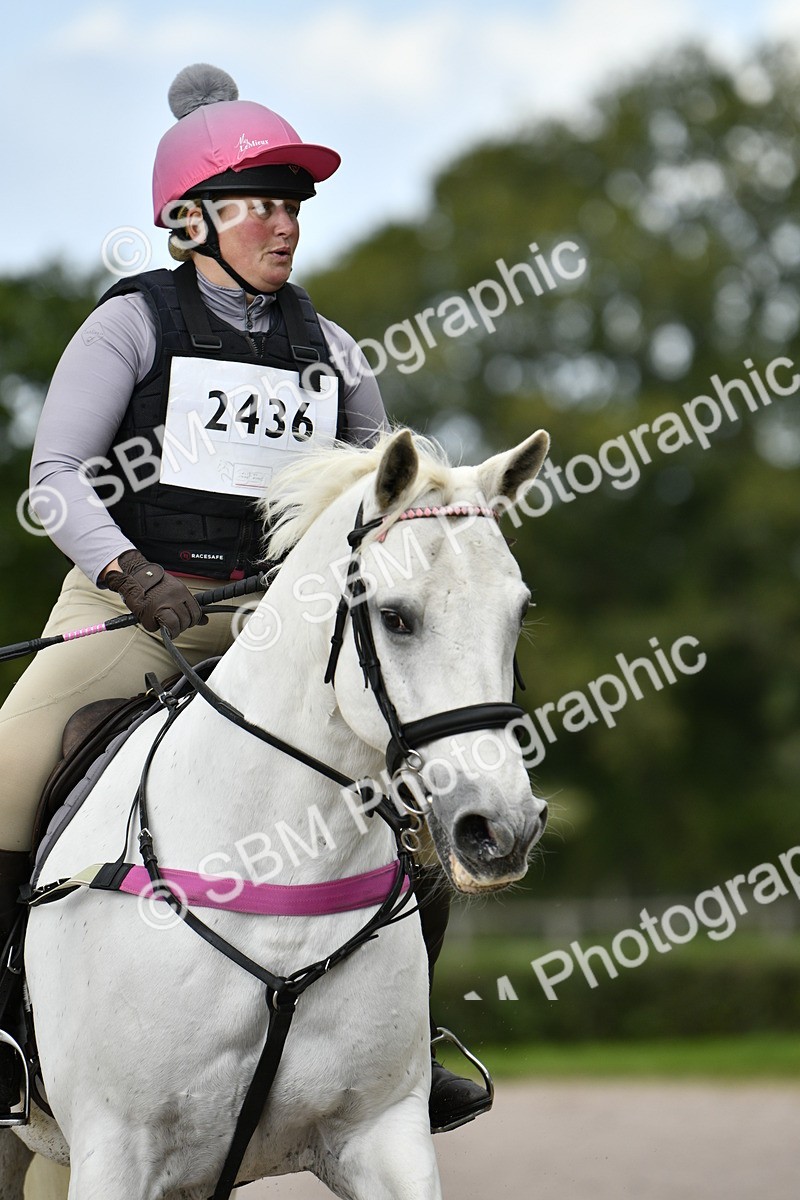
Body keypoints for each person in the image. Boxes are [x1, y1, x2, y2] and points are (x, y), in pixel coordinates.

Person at [0, 64, 490, 1151]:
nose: (283, 223)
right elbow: (57, 476)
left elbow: (387, 497)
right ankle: (8, 1036)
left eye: (292, 202)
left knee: (412, 804)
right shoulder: (128, 324)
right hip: (133, 605)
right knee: (4, 769)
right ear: (190, 222)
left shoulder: (331, 349)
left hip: (283, 624)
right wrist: (134, 575)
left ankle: (404, 1043)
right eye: (258, 201)